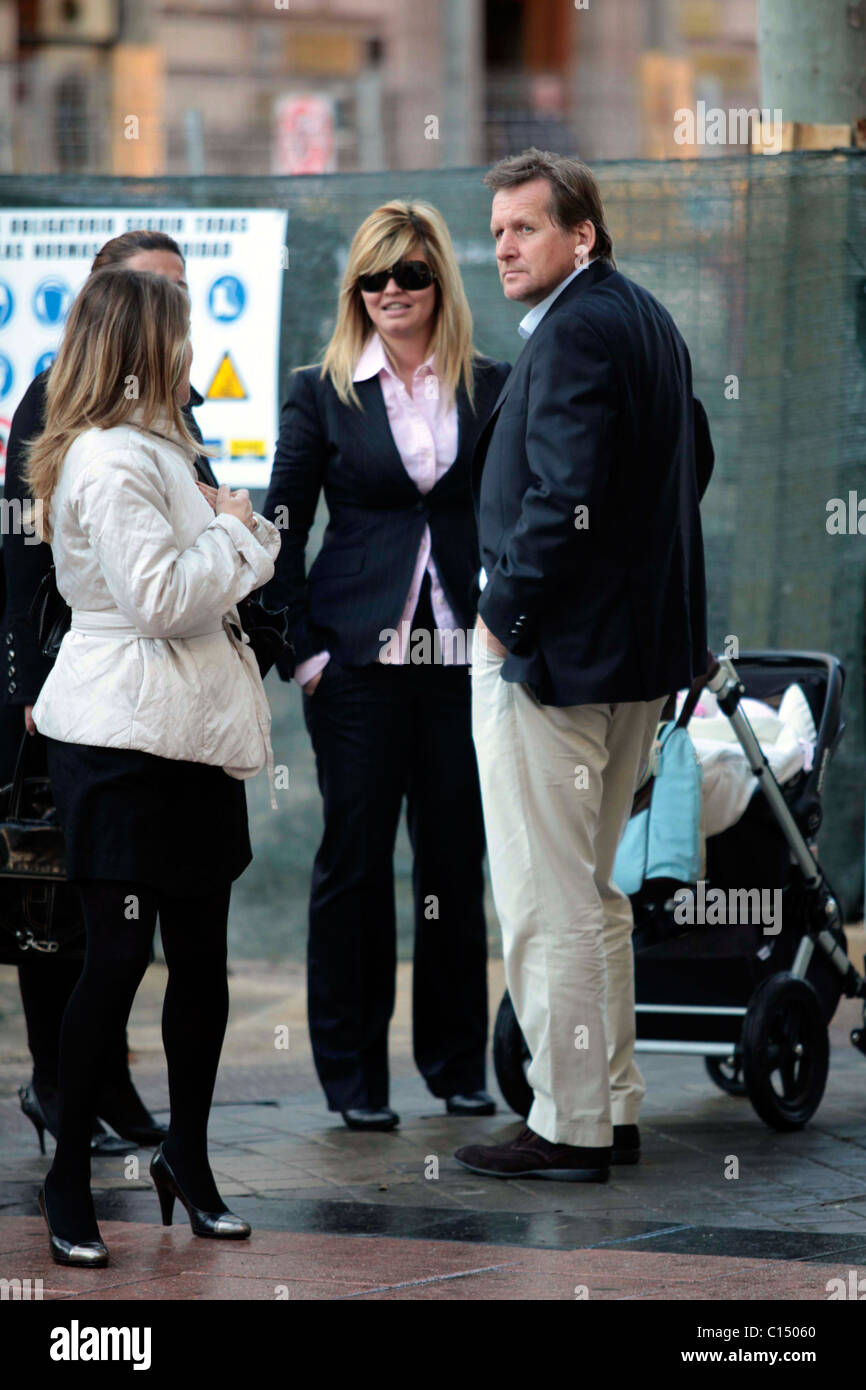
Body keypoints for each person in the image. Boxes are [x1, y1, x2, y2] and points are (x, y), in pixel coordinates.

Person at [455, 148, 714, 1182]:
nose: (503, 244)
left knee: (545, 897)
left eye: (524, 226)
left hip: (555, 663)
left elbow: (560, 493)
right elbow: (691, 457)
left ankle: (566, 1128)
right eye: (498, 226)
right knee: (591, 893)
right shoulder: (643, 317)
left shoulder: (571, 332)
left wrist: (501, 615)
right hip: (634, 659)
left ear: (580, 234)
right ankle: (606, 1108)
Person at [25, 265, 280, 1266]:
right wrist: (238, 525)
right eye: (174, 332)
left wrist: (233, 528)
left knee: (203, 961)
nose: (187, 350)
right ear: (140, 348)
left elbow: (199, 585)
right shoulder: (110, 459)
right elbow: (165, 599)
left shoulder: (161, 446)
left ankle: (190, 1159)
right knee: (120, 956)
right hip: (121, 738)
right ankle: (66, 1177)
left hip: (194, 736)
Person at [263, 201, 510, 1131]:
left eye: (410, 274)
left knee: (454, 861)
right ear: (354, 290)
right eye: (374, 278)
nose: (392, 292)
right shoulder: (319, 389)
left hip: (460, 660)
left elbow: (523, 508)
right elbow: (282, 525)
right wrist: (303, 651)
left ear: (440, 279)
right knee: (355, 863)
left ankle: (455, 1066)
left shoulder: (492, 384)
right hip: (356, 666)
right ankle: (353, 1079)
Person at [2, 230, 221, 1158]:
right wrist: (26, 680)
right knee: (63, 899)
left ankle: (109, 1084)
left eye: (179, 289)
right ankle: (59, 1082)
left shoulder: (179, 405)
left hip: (161, 692)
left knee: (127, 910)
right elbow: (22, 555)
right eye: (149, 289)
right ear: (105, 298)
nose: (169, 306)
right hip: (73, 677)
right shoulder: (55, 402)